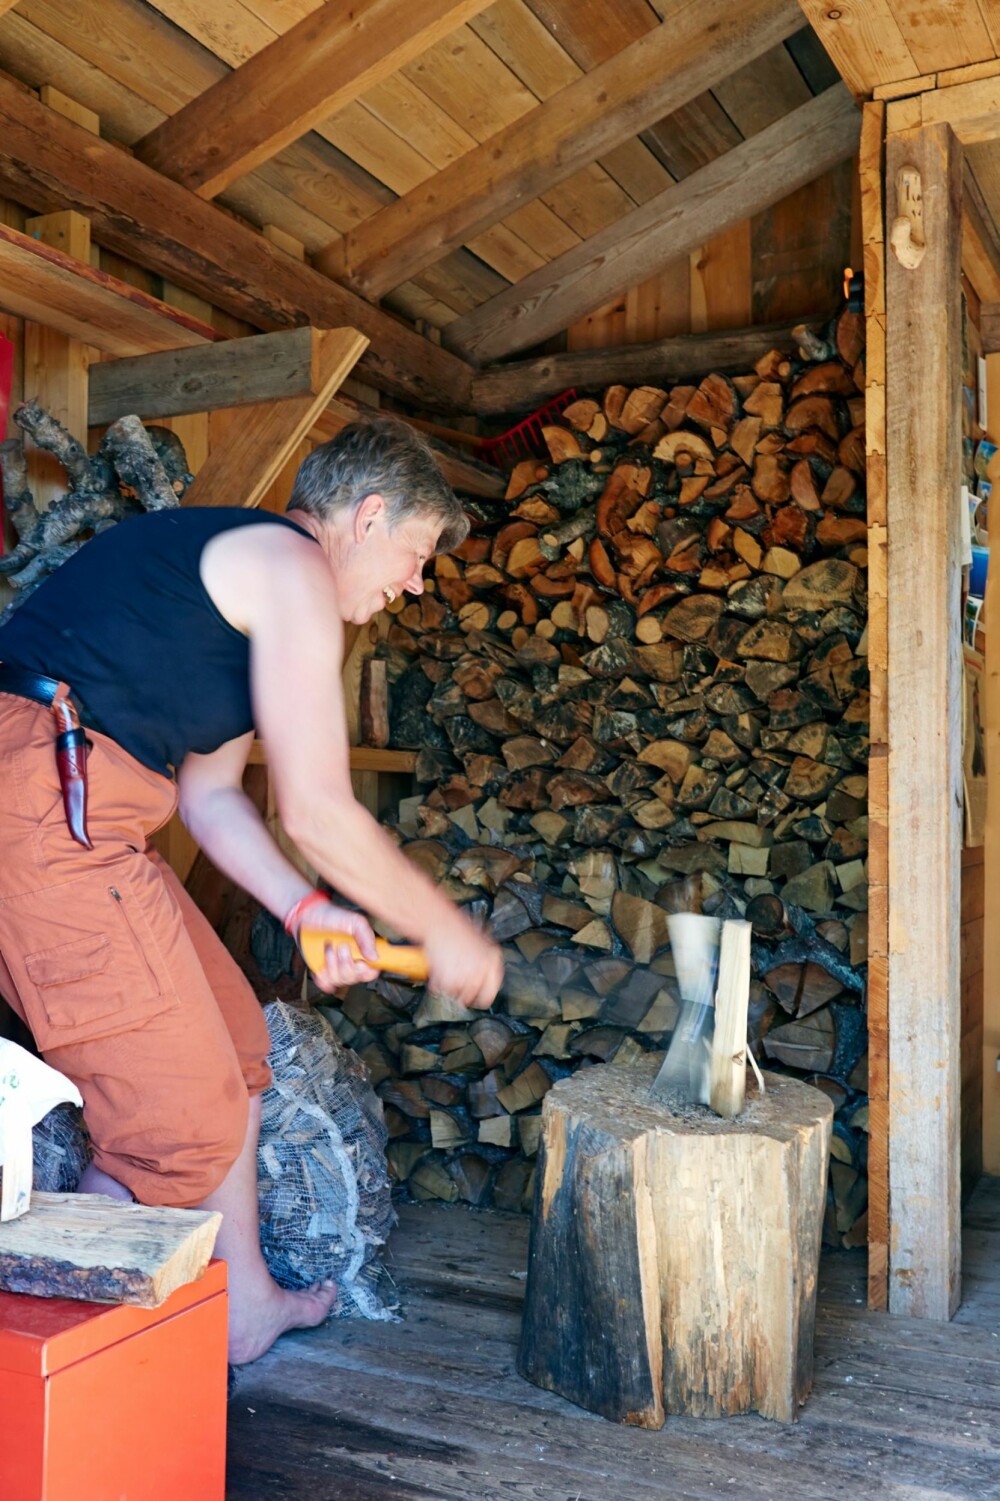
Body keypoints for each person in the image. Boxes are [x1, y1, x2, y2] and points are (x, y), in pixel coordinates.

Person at [0, 415, 504, 1363]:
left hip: (84, 815)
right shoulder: (296, 571)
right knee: (178, 1127)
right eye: (417, 552)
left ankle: (242, 1306)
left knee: (234, 1042)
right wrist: (446, 930)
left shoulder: (244, 587)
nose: (415, 582)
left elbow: (212, 796)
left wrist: (308, 908)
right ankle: (58, 1362)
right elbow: (316, 812)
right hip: (42, 803)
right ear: (366, 515)